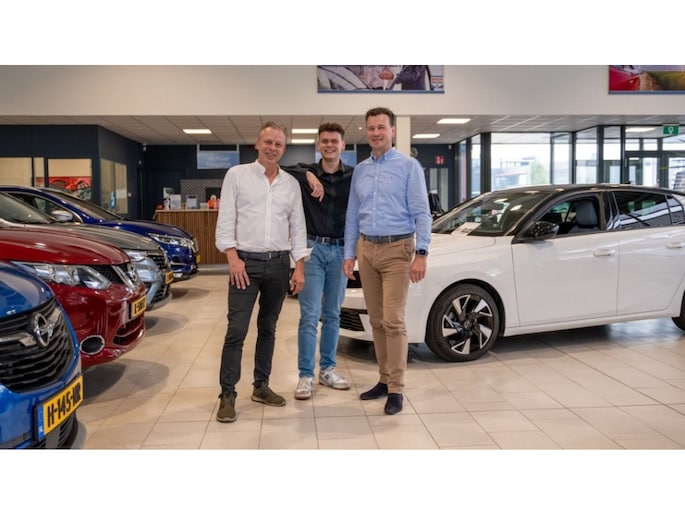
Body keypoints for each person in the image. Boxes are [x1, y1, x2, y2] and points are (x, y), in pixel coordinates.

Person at [214, 121, 309, 423]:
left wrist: (299, 266)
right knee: (236, 330)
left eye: (278, 144)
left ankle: (261, 386)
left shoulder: (290, 184)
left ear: (284, 149)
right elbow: (226, 219)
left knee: (268, 328)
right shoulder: (237, 175)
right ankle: (227, 394)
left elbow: (298, 227)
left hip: (279, 265)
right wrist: (232, 257)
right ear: (257, 144)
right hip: (245, 265)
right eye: (268, 142)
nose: (272, 148)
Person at [343, 107, 432, 415]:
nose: (376, 133)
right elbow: (352, 215)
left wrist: (422, 253)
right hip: (367, 249)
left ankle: (396, 388)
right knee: (377, 320)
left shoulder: (409, 166)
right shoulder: (361, 170)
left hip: (398, 249)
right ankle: (383, 379)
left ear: (392, 130)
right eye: (371, 128)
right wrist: (350, 254)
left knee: (394, 320)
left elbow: (422, 212)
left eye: (381, 127)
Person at [281, 122, 354, 400]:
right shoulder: (305, 174)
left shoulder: (353, 176)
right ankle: (305, 375)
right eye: (324, 141)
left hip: (340, 250)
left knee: (333, 314)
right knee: (309, 316)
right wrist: (309, 174)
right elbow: (282, 167)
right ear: (318, 145)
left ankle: (327, 369)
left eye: (334, 141)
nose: (329, 145)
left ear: (343, 145)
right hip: (312, 250)